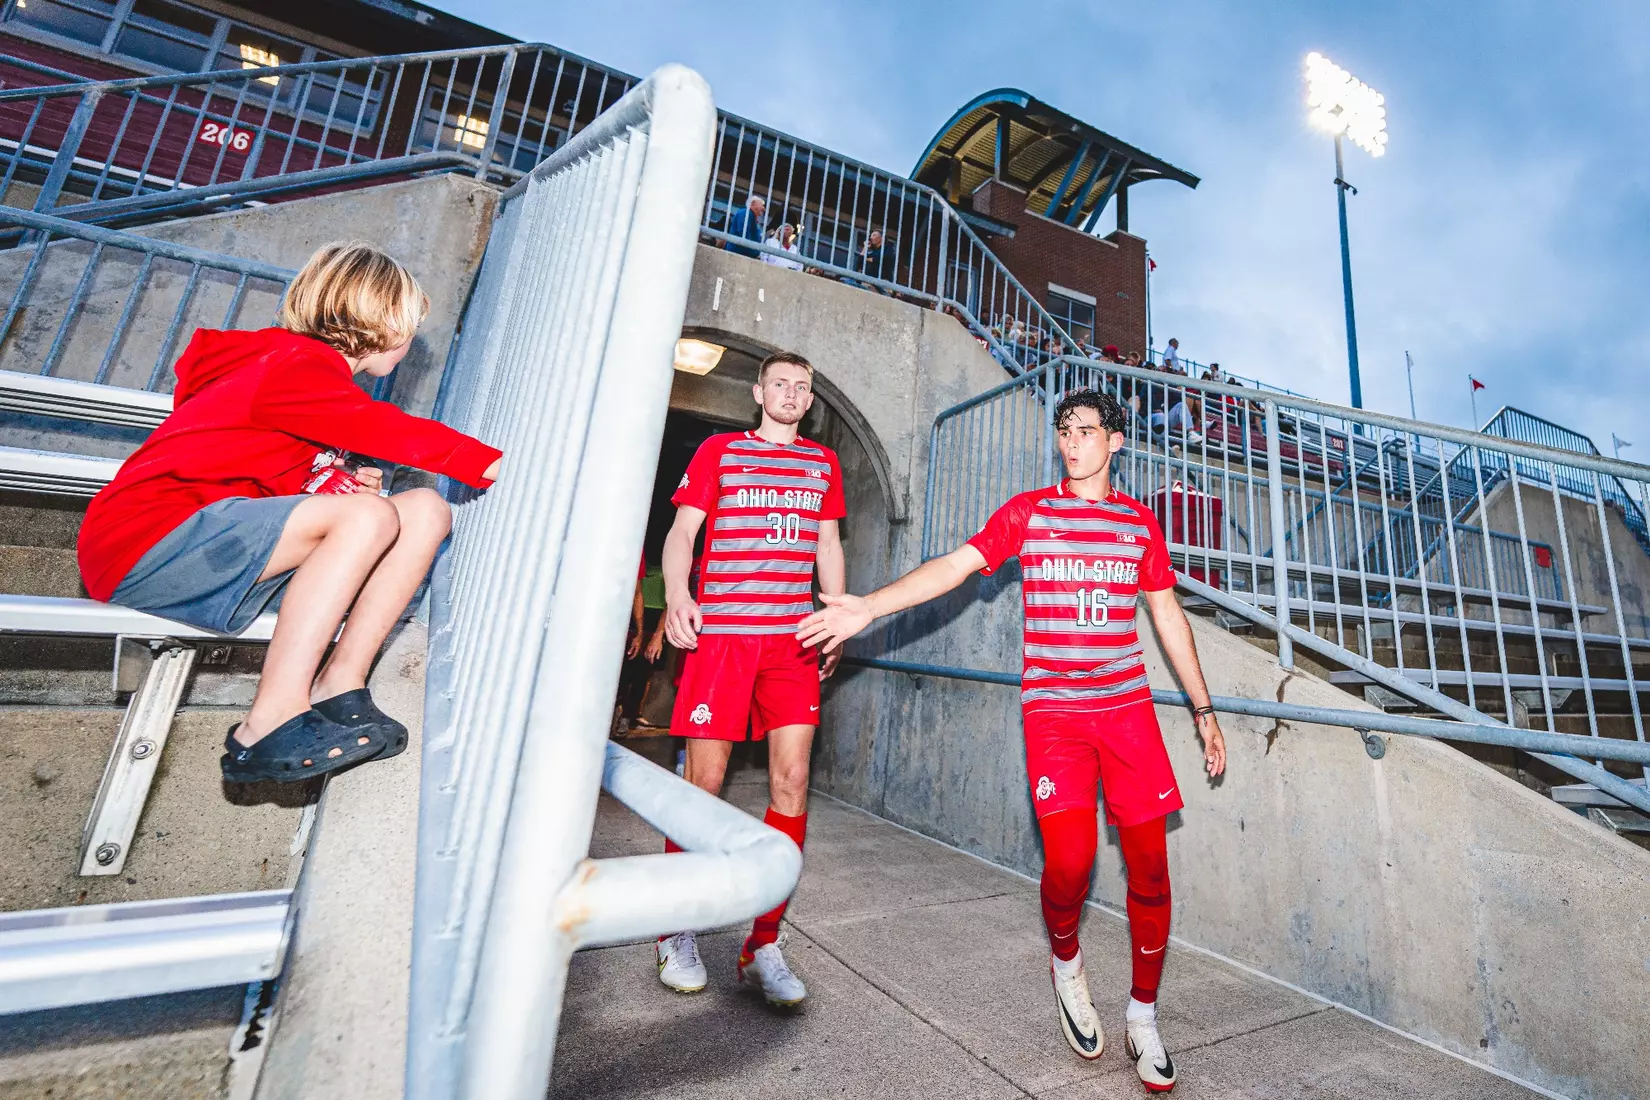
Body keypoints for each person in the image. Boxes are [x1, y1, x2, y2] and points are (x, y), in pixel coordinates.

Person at [798, 389, 1226, 1092]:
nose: (1070, 442)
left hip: (1126, 714)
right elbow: (956, 567)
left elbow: (1169, 618)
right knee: (1069, 866)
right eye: (1063, 431)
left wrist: (1203, 711)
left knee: (1150, 868)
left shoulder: (1139, 524)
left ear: (1116, 441)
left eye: (1085, 431)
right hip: (1055, 715)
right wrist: (868, 606)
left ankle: (1143, 1016)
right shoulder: (1030, 514)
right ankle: (1066, 962)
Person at [77, 242, 503, 784]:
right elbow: (386, 429)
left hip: (217, 547)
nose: (411, 341)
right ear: (382, 323)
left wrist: (336, 483)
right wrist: (492, 464)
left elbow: (259, 470)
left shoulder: (302, 383)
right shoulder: (289, 365)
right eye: (410, 327)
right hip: (148, 543)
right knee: (368, 517)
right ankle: (269, 718)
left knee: (422, 509)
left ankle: (340, 685)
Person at [655, 351, 846, 1007]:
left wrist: (837, 615)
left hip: (791, 641)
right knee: (703, 784)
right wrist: (679, 595)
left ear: (810, 400)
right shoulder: (720, 451)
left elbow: (828, 544)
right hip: (725, 639)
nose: (792, 393)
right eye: (781, 383)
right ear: (759, 392)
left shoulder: (822, 464)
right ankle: (674, 929)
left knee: (792, 780)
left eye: (803, 386)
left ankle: (762, 941)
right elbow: (682, 532)